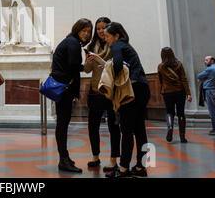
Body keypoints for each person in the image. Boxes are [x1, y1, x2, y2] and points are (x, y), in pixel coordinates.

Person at [103, 22, 150, 178]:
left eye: (108, 36)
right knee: (140, 130)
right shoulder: (127, 46)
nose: (106, 40)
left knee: (127, 130)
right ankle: (141, 167)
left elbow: (116, 65)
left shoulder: (117, 45)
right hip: (143, 88)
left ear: (116, 36)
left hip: (133, 90)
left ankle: (123, 169)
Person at [51, 18, 92, 173]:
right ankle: (63, 159)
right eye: (84, 30)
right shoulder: (73, 43)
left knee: (62, 123)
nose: (86, 34)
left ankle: (64, 157)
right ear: (77, 30)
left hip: (63, 88)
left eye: (88, 31)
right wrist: (88, 65)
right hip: (64, 89)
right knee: (62, 124)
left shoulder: (70, 41)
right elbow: (74, 66)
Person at [84, 17, 121, 172]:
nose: (100, 31)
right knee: (93, 126)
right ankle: (95, 156)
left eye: (103, 28)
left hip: (112, 91)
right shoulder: (91, 45)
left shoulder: (115, 45)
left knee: (114, 126)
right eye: (98, 28)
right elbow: (87, 70)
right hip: (95, 90)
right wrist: (88, 61)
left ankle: (113, 160)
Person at [157, 47, 192, 143]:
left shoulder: (160, 66)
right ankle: (182, 137)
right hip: (180, 91)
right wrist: (188, 93)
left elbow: (160, 80)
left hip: (167, 92)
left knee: (169, 112)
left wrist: (162, 90)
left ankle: (170, 127)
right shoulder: (179, 64)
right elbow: (184, 79)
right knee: (181, 113)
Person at [198, 56, 215, 136]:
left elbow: (199, 76)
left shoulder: (210, 69)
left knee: (212, 112)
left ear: (212, 61)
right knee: (214, 110)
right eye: (205, 60)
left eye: (207, 60)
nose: (205, 61)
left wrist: (204, 79)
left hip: (210, 91)